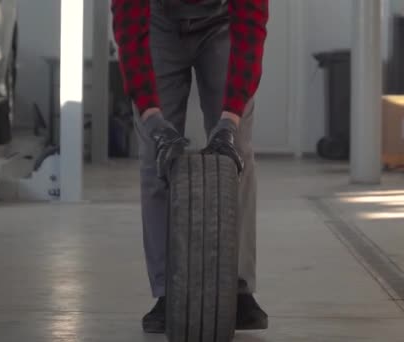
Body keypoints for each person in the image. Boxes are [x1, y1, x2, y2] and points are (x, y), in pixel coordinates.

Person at [111, 0, 269, 334]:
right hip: (157, 22)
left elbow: (250, 31)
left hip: (223, 20)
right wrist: (154, 121)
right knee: (155, 157)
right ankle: (168, 291)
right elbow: (129, 32)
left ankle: (238, 287)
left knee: (236, 149)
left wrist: (229, 122)